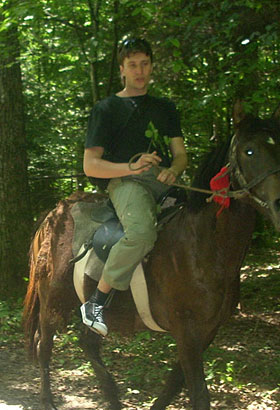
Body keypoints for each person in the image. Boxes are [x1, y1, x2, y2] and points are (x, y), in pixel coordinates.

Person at [80, 37, 188, 336]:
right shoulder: (107, 109)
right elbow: (91, 165)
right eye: (132, 65)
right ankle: (96, 301)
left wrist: (174, 170)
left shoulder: (165, 108)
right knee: (141, 232)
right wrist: (130, 167)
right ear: (122, 70)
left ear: (152, 66)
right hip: (125, 182)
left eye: (145, 64)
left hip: (162, 182)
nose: (140, 71)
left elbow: (180, 155)